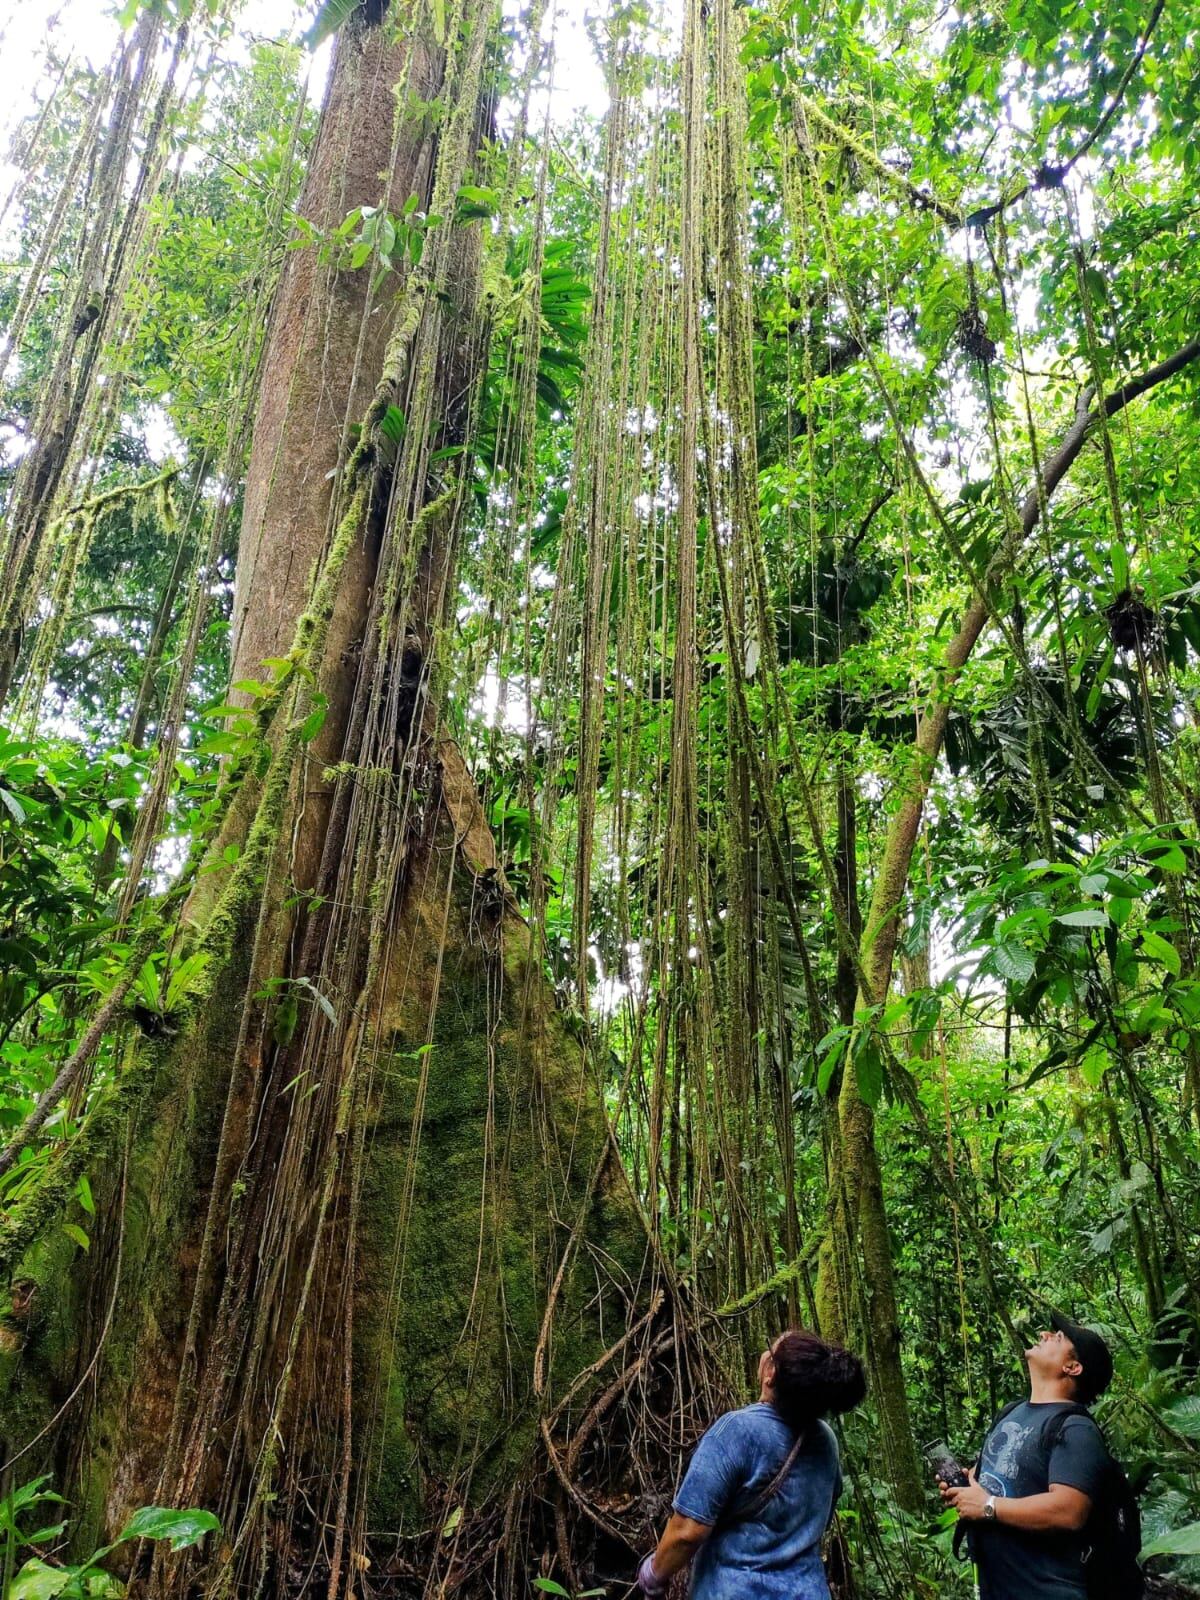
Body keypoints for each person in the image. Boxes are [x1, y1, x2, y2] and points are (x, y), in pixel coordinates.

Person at [636, 1329, 866, 1599]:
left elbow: (687, 1531)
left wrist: (653, 1574)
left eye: (770, 1349)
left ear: (770, 1372)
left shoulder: (736, 1431)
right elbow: (822, 1519)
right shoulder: (827, 1441)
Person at [940, 1311, 1115, 1599]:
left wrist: (987, 1505)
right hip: (999, 1587)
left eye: (1056, 1337)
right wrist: (966, 1488)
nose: (1044, 1335)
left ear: (1072, 1367)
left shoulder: (1075, 1428)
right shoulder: (1012, 1411)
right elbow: (1000, 1482)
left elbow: (1068, 1510)